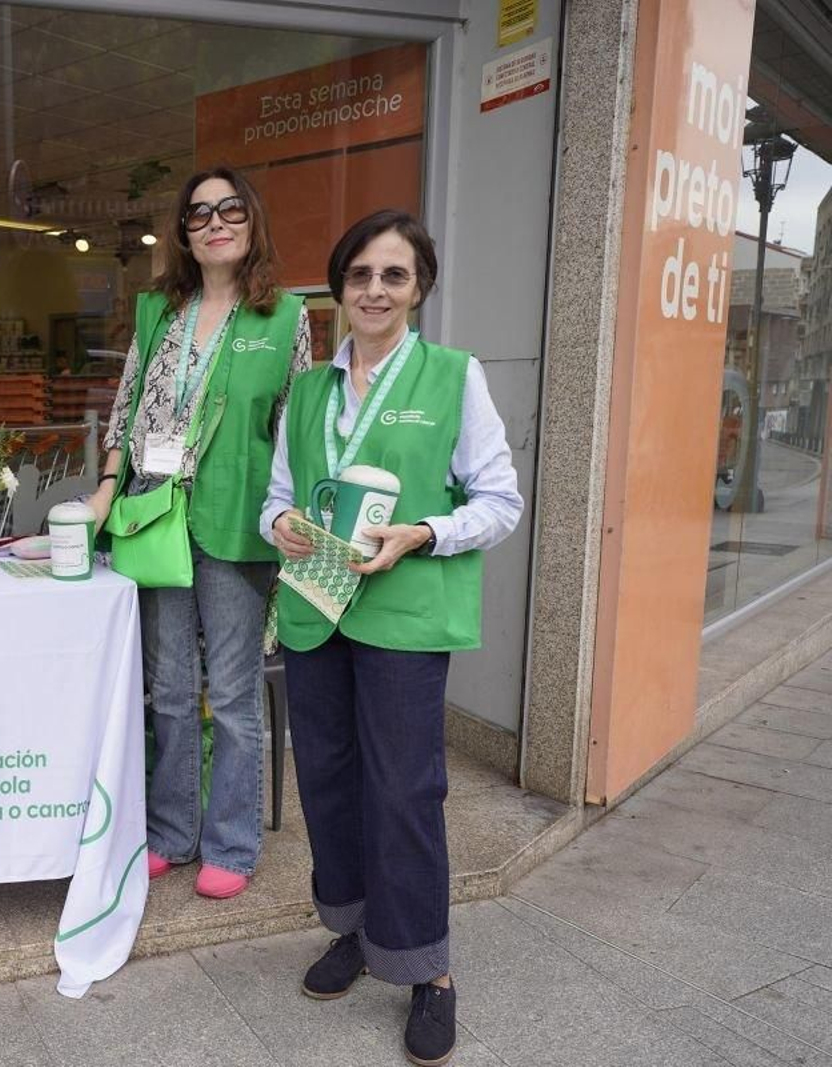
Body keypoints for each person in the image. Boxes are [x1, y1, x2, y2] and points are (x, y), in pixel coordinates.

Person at [261, 210, 523, 1067]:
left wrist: (421, 531)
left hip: (404, 615)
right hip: (315, 606)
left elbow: (499, 502)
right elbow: (277, 499)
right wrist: (286, 524)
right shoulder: (308, 391)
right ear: (338, 286)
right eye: (361, 274)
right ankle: (353, 929)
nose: (375, 290)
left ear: (419, 288)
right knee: (329, 781)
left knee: (406, 789)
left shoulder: (454, 375)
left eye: (394, 276)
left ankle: (426, 967)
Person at [90, 166, 311, 900]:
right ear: (184, 233)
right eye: (198, 214)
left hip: (237, 521)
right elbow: (127, 406)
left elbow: (296, 429)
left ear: (251, 222)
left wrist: (295, 510)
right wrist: (104, 488)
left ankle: (233, 843)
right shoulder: (159, 309)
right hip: (156, 514)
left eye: (229, 210)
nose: (214, 222)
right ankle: (172, 832)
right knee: (171, 690)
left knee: (236, 695)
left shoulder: (286, 317)